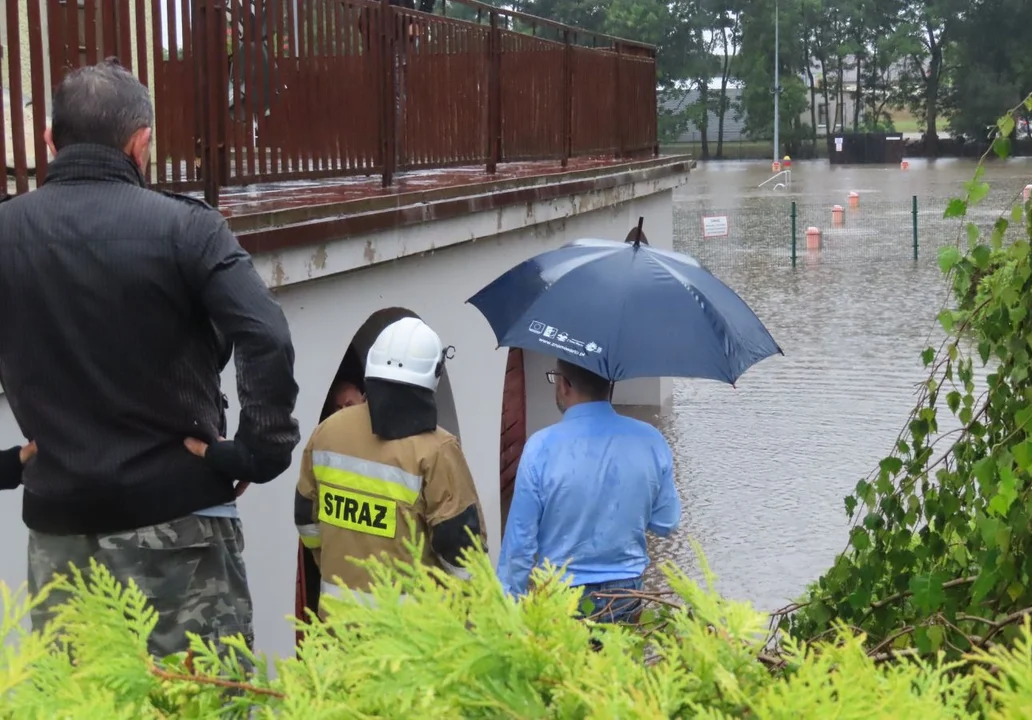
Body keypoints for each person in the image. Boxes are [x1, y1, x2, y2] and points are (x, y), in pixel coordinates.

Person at [0, 59, 300, 658]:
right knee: (197, 696)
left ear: (50, 140)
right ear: (141, 144)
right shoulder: (189, 230)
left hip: (58, 531)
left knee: (85, 700)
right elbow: (266, 334)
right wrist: (257, 451)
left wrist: (7, 465)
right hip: (178, 526)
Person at [295, 317, 486, 610]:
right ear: (433, 375)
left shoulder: (327, 432)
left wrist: (335, 567)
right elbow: (463, 553)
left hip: (338, 626)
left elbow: (306, 520)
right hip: (412, 638)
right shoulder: (437, 450)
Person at [497, 359, 681, 623]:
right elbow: (667, 523)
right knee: (619, 663)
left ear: (564, 384)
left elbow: (520, 543)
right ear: (609, 385)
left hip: (559, 594)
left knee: (565, 665)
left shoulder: (540, 447)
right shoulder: (651, 440)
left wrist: (508, 607)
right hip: (626, 593)